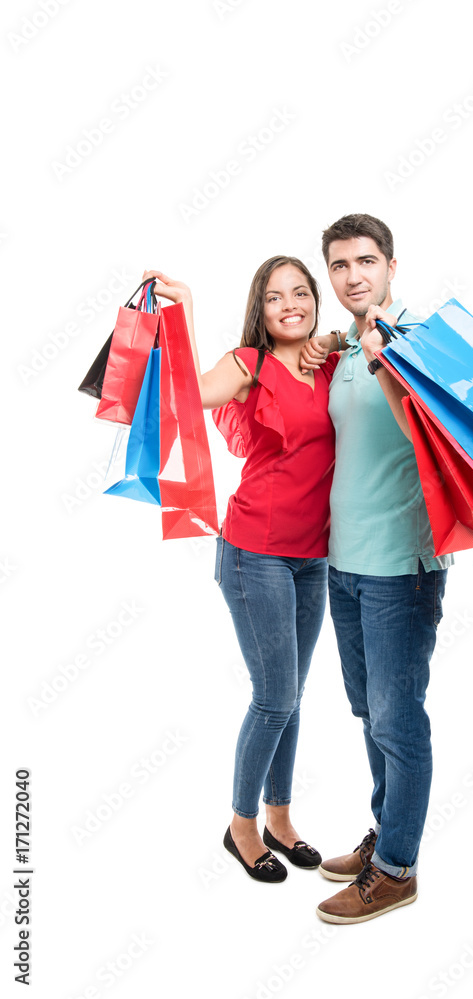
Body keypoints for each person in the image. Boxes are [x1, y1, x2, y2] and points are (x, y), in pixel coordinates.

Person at [143, 258, 339, 883]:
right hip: (256, 550)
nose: (291, 304)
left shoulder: (330, 363)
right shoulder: (248, 364)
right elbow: (185, 394)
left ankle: (280, 818)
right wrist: (186, 313)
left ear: (316, 301)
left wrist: (336, 337)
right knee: (274, 697)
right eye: (276, 297)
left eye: (301, 293)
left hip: (314, 555)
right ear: (261, 308)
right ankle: (242, 825)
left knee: (293, 694)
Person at [299, 214, 454, 923]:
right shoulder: (345, 349)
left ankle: (396, 870)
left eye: (366, 261)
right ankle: (386, 833)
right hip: (345, 563)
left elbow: (434, 434)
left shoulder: (419, 339)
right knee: (369, 712)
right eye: (339, 265)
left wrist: (382, 356)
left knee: (399, 719)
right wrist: (341, 345)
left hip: (402, 567)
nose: (353, 275)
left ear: (392, 265)